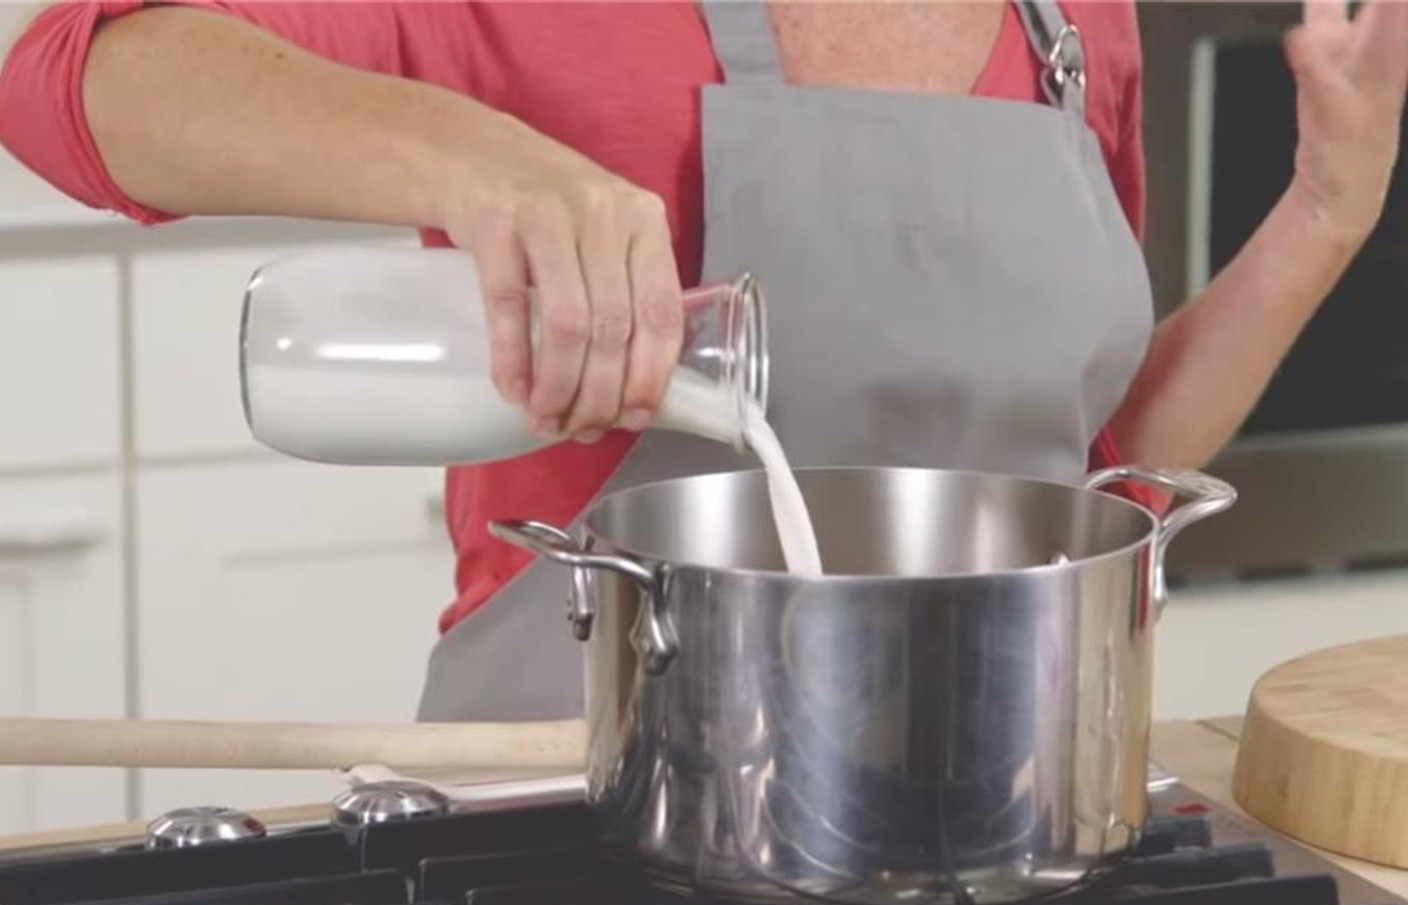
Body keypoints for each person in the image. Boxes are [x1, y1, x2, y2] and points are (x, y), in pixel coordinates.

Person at [1, 1, 1404, 723]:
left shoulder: (1067, 19)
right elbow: (75, 77)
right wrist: (469, 155)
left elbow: (1085, 480)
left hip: (986, 840)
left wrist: (1325, 215)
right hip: (578, 829)